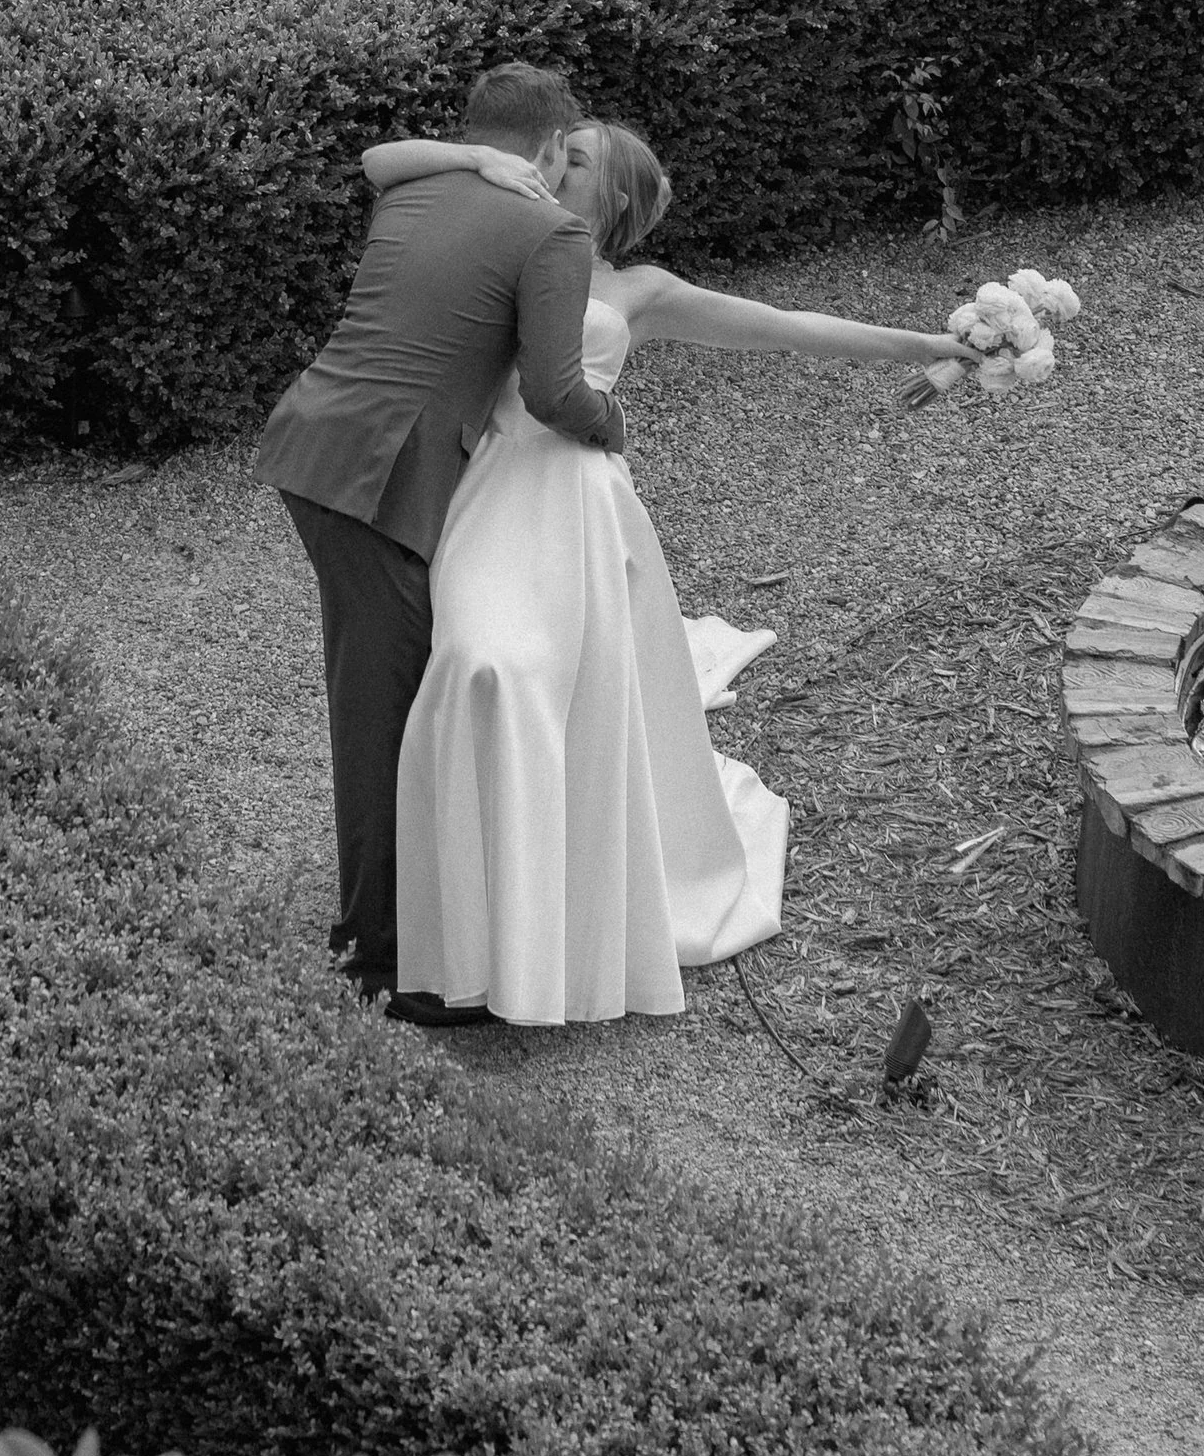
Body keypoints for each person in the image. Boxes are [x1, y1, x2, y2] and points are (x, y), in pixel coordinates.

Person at [371, 119, 968, 1026]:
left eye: (572, 161)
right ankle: (464, 931)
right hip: (486, 485)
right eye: (551, 151)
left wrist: (926, 345)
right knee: (481, 663)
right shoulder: (504, 228)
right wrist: (474, 158)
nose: (548, 164)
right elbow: (382, 175)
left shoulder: (639, 290)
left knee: (537, 676)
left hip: (576, 498)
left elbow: (787, 331)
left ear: (612, 199)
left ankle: (549, 933)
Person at [254, 61, 626, 1016]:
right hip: (377, 476)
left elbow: (377, 161)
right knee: (381, 713)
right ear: (548, 149)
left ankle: (416, 923)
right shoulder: (553, 229)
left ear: (473, 133)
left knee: (396, 693)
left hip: (320, 440)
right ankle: (379, 959)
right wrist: (610, 427)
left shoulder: (419, 180)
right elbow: (553, 393)